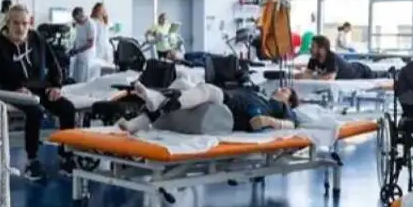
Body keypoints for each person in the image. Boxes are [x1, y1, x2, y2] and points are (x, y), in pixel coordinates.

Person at [0, 4, 78, 181]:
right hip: (14, 91)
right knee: (35, 112)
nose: (20, 28)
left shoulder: (36, 38)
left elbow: (54, 65)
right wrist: (12, 91)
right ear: (8, 23)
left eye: (24, 23)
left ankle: (66, 155)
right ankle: (32, 161)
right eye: (16, 23)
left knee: (68, 109)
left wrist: (56, 86)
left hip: (40, 88)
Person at [119, 81, 299, 134]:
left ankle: (156, 99)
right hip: (229, 97)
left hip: (230, 110)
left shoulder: (280, 108)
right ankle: (139, 121)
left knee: (208, 89)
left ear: (289, 102)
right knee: (181, 82)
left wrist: (270, 121)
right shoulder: (261, 94)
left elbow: (293, 124)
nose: (279, 89)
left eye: (285, 91)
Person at [298, 35, 372, 80]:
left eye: (313, 46)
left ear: (322, 49)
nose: (310, 48)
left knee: (381, 75)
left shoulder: (331, 58)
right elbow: (305, 74)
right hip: (353, 68)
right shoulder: (314, 59)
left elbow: (329, 78)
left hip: (361, 71)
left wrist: (312, 76)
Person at [68, 5, 96, 83]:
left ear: (82, 16)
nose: (76, 21)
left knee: (82, 79)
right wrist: (73, 48)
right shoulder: (78, 23)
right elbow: (76, 38)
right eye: (75, 19)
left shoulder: (90, 24)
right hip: (78, 55)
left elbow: (90, 43)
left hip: (86, 56)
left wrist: (77, 50)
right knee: (75, 77)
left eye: (77, 19)